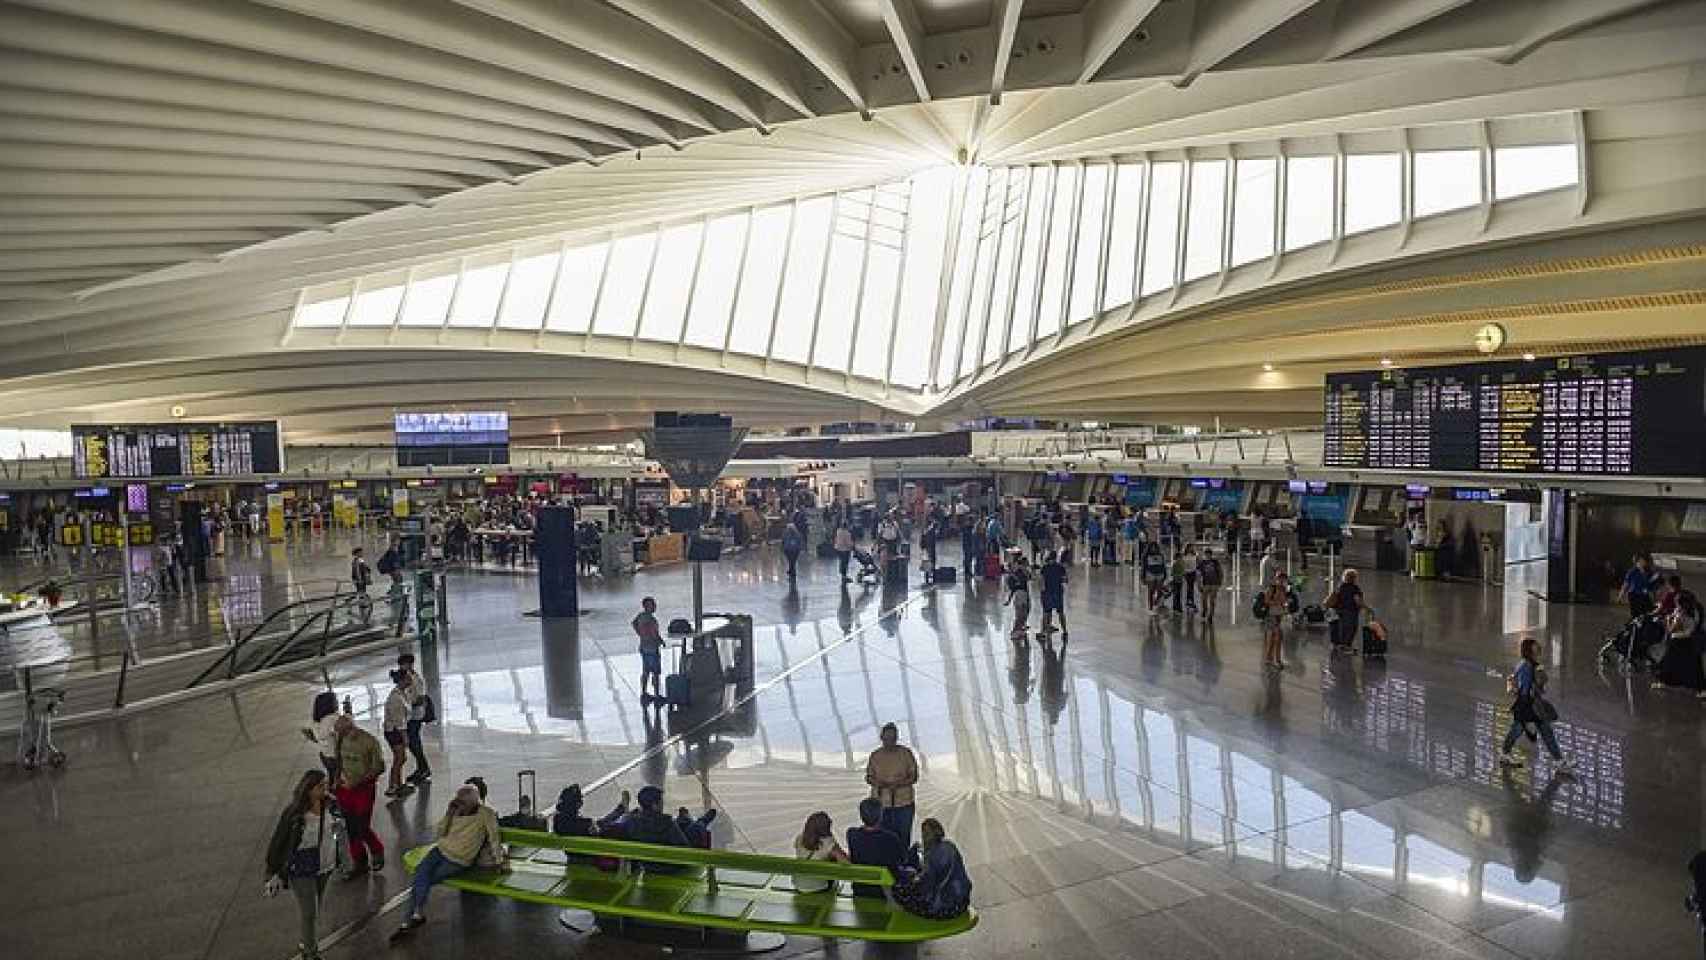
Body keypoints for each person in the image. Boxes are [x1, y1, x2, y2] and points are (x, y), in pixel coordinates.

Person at [392, 784, 505, 938]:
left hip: (458, 859)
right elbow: (440, 832)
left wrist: (499, 861)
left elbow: (494, 838)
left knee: (422, 879)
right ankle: (411, 918)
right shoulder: (454, 810)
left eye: (462, 802)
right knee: (421, 875)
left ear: (473, 803)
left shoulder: (486, 814)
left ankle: (413, 918)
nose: (459, 804)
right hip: (440, 850)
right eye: (458, 801)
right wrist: (449, 814)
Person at [264, 770, 342, 960]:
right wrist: (272, 870)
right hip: (301, 865)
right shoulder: (295, 813)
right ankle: (310, 953)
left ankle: (306, 940)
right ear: (308, 789)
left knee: (315, 906)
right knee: (310, 911)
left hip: (325, 861)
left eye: (325, 784)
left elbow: (337, 828)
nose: (325, 788)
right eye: (320, 786)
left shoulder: (330, 805)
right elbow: (278, 842)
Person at [1499, 636, 1573, 772]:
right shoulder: (1528, 666)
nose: (1539, 647)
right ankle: (1559, 762)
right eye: (1535, 646)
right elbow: (1526, 690)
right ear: (1530, 650)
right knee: (1527, 731)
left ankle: (1559, 761)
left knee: (1534, 731)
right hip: (1529, 706)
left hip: (1529, 705)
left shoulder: (1527, 664)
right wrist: (1540, 682)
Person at [331, 714, 386, 874]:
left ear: (350, 728)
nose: (339, 735)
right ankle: (359, 862)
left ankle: (377, 850)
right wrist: (336, 780)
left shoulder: (369, 742)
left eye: (341, 731)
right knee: (350, 827)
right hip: (344, 788)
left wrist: (358, 782)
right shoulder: (340, 739)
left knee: (362, 826)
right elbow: (338, 761)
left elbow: (379, 768)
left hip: (363, 790)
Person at [891, 818, 972, 920]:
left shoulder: (933, 854)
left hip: (943, 907)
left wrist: (914, 878)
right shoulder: (950, 846)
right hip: (962, 902)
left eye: (925, 833)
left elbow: (928, 884)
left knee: (899, 889)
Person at [865, 723, 920, 845]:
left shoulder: (906, 753)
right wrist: (878, 783)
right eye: (886, 739)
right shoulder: (875, 755)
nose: (889, 742)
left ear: (896, 738)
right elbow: (868, 777)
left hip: (903, 803)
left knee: (903, 837)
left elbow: (914, 776)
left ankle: (903, 861)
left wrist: (899, 784)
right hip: (881, 805)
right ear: (881, 738)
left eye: (892, 738)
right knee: (882, 839)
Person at [846, 797, 909, 900]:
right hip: (885, 889)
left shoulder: (852, 834)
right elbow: (902, 860)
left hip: (860, 888)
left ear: (861, 816)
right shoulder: (891, 837)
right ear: (881, 816)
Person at [1651, 589, 1706, 697]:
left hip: (1679, 641)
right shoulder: (1697, 609)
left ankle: (1664, 682)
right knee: (1693, 666)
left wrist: (1667, 619)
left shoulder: (1681, 613)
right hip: (1692, 640)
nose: (1676, 604)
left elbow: (1670, 630)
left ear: (1682, 604)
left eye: (1677, 602)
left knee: (1669, 662)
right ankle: (1702, 690)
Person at [793, 811, 851, 894]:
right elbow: (846, 862)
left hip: (798, 884)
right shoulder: (828, 843)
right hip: (819, 887)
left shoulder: (799, 838)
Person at [397, 653, 432, 785]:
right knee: (414, 743)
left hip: (415, 716)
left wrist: (406, 703)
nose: (401, 667)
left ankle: (424, 768)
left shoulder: (416, 679)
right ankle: (422, 768)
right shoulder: (407, 677)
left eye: (403, 664)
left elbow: (421, 699)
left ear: (410, 664)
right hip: (409, 715)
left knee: (414, 743)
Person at [382, 670, 414, 799]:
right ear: (402, 680)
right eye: (408, 678)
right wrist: (405, 737)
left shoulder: (402, 693)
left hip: (395, 730)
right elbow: (398, 721)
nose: (411, 679)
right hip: (394, 732)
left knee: (401, 758)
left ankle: (398, 784)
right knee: (399, 759)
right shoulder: (396, 698)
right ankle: (392, 787)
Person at [301, 691, 342, 779]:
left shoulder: (315, 720)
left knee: (331, 775)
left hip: (324, 755)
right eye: (336, 701)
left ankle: (330, 788)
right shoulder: (332, 719)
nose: (338, 703)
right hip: (336, 756)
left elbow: (317, 735)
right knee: (339, 778)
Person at [633, 597, 663, 701]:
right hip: (652, 648)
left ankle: (644, 692)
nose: (655, 606)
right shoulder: (650, 619)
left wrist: (640, 634)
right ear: (646, 606)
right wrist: (657, 640)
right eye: (652, 604)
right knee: (655, 671)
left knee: (646, 670)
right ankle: (657, 694)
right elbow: (653, 633)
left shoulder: (641, 616)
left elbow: (634, 623)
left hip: (644, 647)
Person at [1327, 569, 1364, 651]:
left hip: (1338, 610)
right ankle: (1346, 645)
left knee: (1338, 627)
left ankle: (1337, 644)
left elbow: (1332, 597)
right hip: (1350, 611)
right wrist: (1365, 608)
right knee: (1350, 629)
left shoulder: (1339, 586)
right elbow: (1357, 601)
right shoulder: (1355, 588)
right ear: (1354, 578)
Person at [1260, 572, 1289, 671]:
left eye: (1284, 580)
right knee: (1278, 636)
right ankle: (1277, 660)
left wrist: (1284, 604)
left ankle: (1269, 658)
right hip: (1271, 616)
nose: (1282, 581)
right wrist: (1278, 602)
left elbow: (1284, 601)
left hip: (1278, 615)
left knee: (1273, 637)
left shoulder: (1283, 589)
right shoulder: (1272, 588)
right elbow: (1267, 601)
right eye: (1280, 579)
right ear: (1276, 579)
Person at [1617, 554, 1658, 618]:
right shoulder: (1632, 572)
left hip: (1644, 595)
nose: (1644, 561)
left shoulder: (1648, 572)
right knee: (1636, 615)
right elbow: (1626, 584)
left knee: (1649, 612)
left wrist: (1653, 579)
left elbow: (1650, 584)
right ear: (1637, 561)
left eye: (1644, 560)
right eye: (1642, 560)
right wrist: (1620, 595)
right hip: (1634, 595)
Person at [1039, 551, 1068, 636]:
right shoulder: (1060, 567)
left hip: (1048, 593)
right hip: (1058, 593)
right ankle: (1065, 630)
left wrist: (1042, 591)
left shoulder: (1045, 568)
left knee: (1047, 612)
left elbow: (1041, 581)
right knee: (1061, 612)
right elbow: (1065, 580)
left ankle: (1043, 631)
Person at [1005, 554, 1032, 635]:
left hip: (1024, 594)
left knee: (1025, 611)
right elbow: (1014, 587)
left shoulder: (1019, 572)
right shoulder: (1019, 573)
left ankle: (1020, 627)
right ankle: (1016, 630)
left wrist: (1009, 600)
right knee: (1020, 613)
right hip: (1020, 594)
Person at [1197, 548, 1223, 625]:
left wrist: (1220, 582)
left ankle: (1211, 615)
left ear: (1211, 554)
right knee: (1204, 599)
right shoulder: (1202, 563)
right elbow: (1199, 574)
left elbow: (1220, 571)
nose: (1207, 555)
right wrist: (1199, 584)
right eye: (1206, 554)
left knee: (1212, 600)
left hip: (1214, 584)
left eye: (1209, 554)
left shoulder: (1215, 562)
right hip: (1206, 583)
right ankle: (1205, 610)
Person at [1141, 540, 1168, 612]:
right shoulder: (1146, 556)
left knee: (1159, 590)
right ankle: (1150, 606)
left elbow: (1163, 565)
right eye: (1152, 547)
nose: (1153, 549)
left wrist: (1165, 574)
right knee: (1151, 590)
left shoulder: (1161, 555)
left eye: (1155, 547)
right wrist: (1143, 577)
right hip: (1150, 574)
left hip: (1160, 574)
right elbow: (1144, 567)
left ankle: (1156, 601)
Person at [1180, 545, 1199, 614]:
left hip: (1193, 572)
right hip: (1187, 573)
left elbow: (1197, 563)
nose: (1191, 548)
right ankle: (1189, 602)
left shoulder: (1195, 555)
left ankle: (1190, 602)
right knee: (1189, 587)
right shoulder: (1184, 556)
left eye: (1192, 547)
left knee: (1191, 587)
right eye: (1190, 547)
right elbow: (1182, 564)